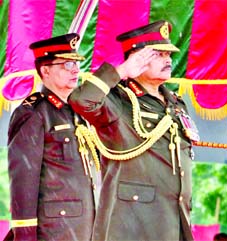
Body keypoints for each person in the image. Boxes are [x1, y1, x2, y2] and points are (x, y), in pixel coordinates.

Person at [68, 20, 194, 240]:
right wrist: (123, 70)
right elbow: (80, 100)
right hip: (132, 224)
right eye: (159, 55)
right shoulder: (118, 100)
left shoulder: (174, 103)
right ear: (137, 58)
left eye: (168, 55)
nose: (168, 60)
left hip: (173, 220)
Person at [6, 33, 96, 241]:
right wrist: (25, 235)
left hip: (87, 228)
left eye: (76, 64)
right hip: (54, 231)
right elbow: (23, 181)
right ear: (45, 70)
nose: (75, 70)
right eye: (66, 65)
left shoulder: (78, 111)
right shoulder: (34, 113)